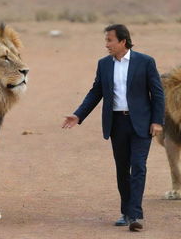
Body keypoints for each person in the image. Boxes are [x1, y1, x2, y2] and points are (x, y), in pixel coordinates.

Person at [62, 24, 164, 232]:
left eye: (110, 40)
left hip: (141, 124)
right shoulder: (104, 64)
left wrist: (157, 121)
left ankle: (135, 214)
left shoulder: (145, 62)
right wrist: (78, 114)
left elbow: (157, 93)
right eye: (106, 40)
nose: (106, 44)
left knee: (138, 166)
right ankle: (125, 211)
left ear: (123, 41)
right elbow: (95, 92)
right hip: (116, 123)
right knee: (122, 169)